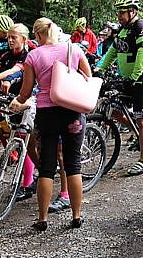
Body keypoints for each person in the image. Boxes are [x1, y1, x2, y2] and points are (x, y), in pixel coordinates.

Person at [10, 17, 89, 231]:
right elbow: (88, 78)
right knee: (73, 164)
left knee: (46, 167)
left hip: (46, 113)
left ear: (37, 35)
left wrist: (15, 101)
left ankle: (43, 218)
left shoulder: (33, 56)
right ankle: (76, 215)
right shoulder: (73, 49)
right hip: (72, 111)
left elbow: (26, 93)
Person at [97, 0, 143, 176]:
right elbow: (112, 52)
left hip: (142, 79)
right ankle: (136, 131)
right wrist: (99, 68)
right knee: (110, 107)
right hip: (127, 78)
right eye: (118, 11)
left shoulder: (141, 28)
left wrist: (135, 76)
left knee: (142, 118)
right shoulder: (123, 30)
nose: (119, 15)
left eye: (122, 12)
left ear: (133, 11)